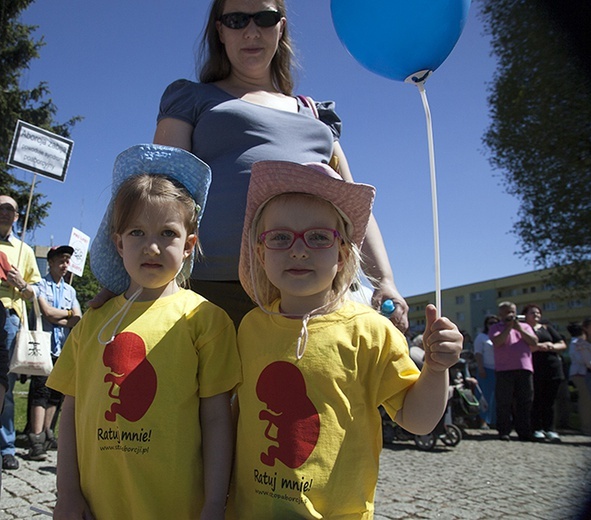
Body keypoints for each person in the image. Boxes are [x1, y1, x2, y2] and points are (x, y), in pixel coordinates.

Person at [137, 0, 409, 331]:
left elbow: (354, 206)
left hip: (307, 295)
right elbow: (160, 191)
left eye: (264, 18)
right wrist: (132, 276)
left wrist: (384, 279)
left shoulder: (315, 113)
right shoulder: (192, 98)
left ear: (281, 27)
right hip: (210, 293)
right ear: (220, 30)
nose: (251, 31)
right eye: (237, 20)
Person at [227, 160, 462, 517]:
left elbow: (419, 421)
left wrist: (436, 367)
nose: (299, 249)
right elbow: (236, 416)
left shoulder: (371, 331)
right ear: (260, 253)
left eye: (318, 236)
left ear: (342, 252)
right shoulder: (249, 327)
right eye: (279, 237)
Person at [47, 144, 241, 519]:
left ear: (189, 245)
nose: (151, 246)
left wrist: (216, 502)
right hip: (95, 505)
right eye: (137, 232)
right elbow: (71, 410)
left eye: (167, 233)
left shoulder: (205, 320)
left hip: (177, 507)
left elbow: (218, 419)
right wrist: (66, 491)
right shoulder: (92, 321)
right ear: (118, 243)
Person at [25, 245, 82, 461]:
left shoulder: (70, 290)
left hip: (63, 348)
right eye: (61, 259)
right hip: (43, 347)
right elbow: (47, 313)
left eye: (68, 260)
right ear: (50, 262)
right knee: (40, 391)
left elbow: (79, 318)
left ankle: (48, 432)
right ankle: (35, 437)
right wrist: (67, 315)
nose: (65, 264)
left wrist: (65, 317)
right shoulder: (40, 285)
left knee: (56, 393)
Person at [0, 195, 41, 471]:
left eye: (10, 209)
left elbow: (35, 291)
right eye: (0, 208)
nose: (4, 212)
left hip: (8, 319)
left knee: (5, 386)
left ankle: (7, 447)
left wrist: (21, 283)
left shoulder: (24, 250)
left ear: (17, 217)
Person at [489, 301, 538, 441]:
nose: (510, 314)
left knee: (525, 401)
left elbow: (534, 342)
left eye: (512, 311)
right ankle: (504, 430)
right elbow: (497, 341)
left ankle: (524, 431)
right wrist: (508, 327)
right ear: (501, 313)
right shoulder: (495, 327)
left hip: (524, 368)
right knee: (504, 401)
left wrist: (519, 329)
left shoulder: (525, 326)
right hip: (504, 370)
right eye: (506, 311)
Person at [522, 304, 566, 442]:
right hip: (534, 366)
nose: (536, 315)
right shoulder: (523, 329)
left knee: (550, 400)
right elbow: (523, 346)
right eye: (532, 313)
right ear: (525, 315)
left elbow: (562, 344)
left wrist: (552, 346)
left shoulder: (546, 328)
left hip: (552, 366)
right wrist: (538, 347)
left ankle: (550, 429)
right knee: (536, 399)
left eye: (538, 313)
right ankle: (537, 428)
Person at [473, 314, 499, 428]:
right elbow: (478, 353)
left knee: (496, 398)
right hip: (486, 369)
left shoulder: (500, 336)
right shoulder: (481, 337)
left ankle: (494, 420)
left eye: (495, 322)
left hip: (499, 369)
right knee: (484, 396)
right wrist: (481, 368)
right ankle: (483, 421)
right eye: (490, 323)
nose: (493, 325)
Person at [568, 319, 591, 435]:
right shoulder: (577, 343)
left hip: (583, 373)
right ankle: (586, 427)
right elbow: (582, 360)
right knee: (585, 401)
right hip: (580, 374)